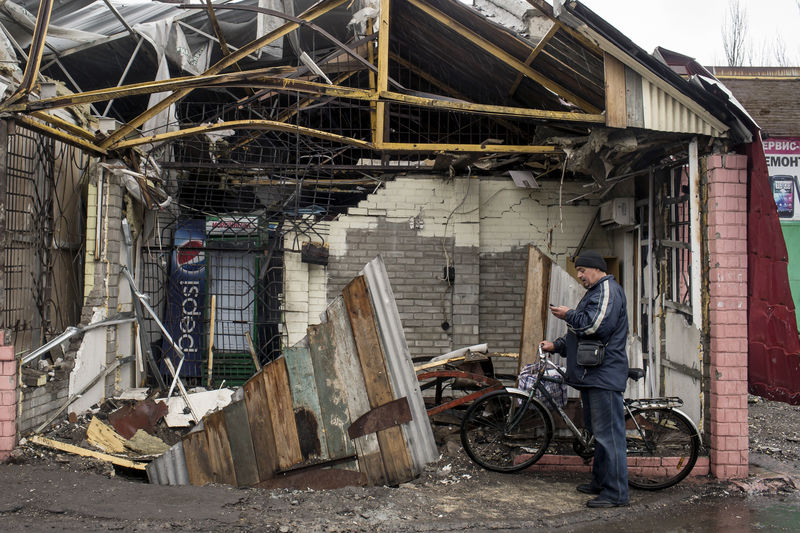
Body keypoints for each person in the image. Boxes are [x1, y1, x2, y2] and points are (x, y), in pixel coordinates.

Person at [539, 250, 629, 508]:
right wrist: (556, 346)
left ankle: (616, 494)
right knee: (599, 434)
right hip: (594, 374)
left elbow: (594, 327)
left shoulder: (608, 291)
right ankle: (600, 482)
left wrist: (568, 314)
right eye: (577, 271)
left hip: (604, 375)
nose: (579, 276)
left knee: (609, 436)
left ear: (597, 268)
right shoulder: (596, 292)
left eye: (582, 271)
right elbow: (582, 337)